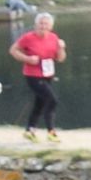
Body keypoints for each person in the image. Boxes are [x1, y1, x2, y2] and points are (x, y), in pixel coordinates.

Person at [12, 8, 66, 141]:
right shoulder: (28, 38)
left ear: (51, 26)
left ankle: (30, 131)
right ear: (36, 25)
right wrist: (27, 59)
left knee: (40, 103)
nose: (43, 26)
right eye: (41, 23)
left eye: (46, 24)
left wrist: (61, 48)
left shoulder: (54, 37)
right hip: (33, 75)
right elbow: (13, 50)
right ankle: (51, 131)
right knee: (52, 100)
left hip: (47, 75)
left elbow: (60, 58)